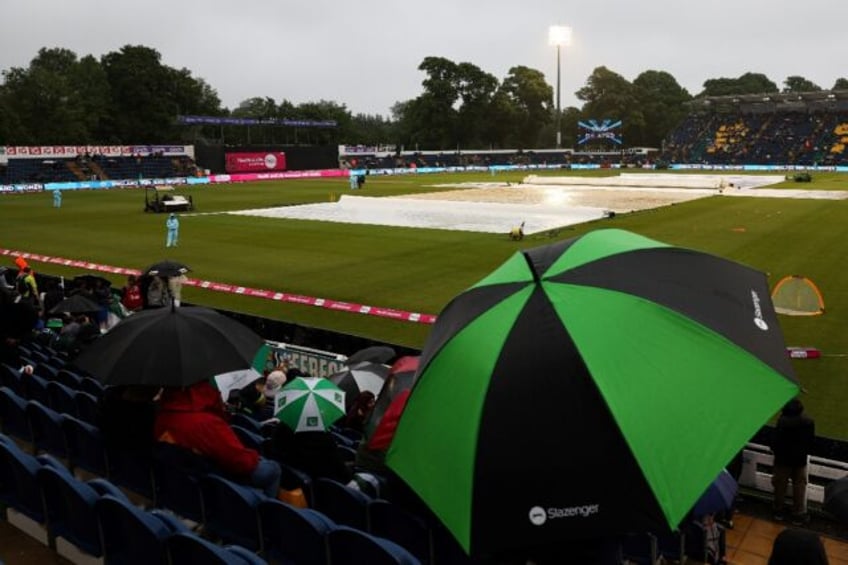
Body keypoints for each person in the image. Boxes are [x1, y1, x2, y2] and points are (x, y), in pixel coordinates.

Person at [154, 380, 281, 498]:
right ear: (204, 391)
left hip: (182, 480)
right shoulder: (206, 423)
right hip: (215, 481)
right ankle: (267, 517)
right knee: (273, 468)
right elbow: (240, 462)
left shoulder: (162, 415)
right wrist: (254, 458)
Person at [771, 398, 816, 524]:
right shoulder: (808, 422)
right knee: (799, 487)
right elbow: (811, 442)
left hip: (782, 460)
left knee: (780, 486)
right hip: (799, 460)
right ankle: (798, 513)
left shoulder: (782, 422)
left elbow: (775, 441)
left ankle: (778, 511)